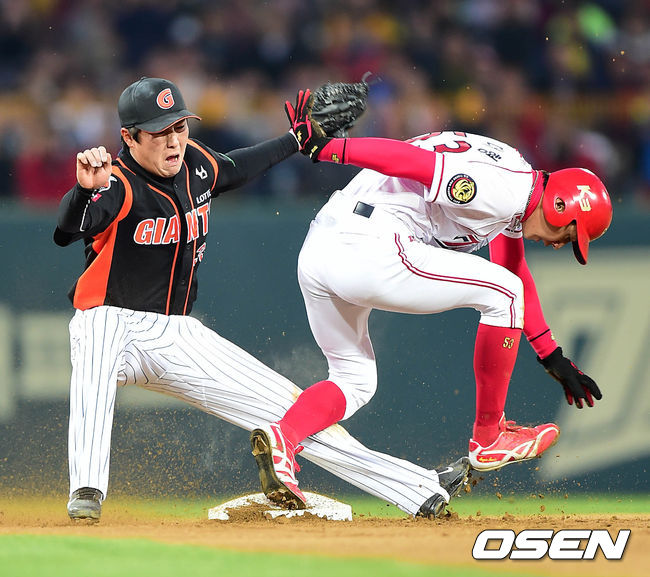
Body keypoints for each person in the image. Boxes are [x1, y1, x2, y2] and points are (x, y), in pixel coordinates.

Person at [54, 77, 470, 522]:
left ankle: (417, 488)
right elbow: (67, 230)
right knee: (94, 367)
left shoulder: (195, 164)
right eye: (159, 132)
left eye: (179, 127)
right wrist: (84, 191)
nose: (173, 141)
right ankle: (87, 491)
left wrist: (295, 139)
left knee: (291, 414)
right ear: (130, 137)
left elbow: (238, 166)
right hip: (109, 321)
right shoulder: (115, 183)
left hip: (175, 334)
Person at [251, 125, 612, 504]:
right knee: (504, 293)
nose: (560, 245)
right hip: (367, 245)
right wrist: (329, 148)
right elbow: (410, 161)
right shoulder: (503, 189)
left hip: (323, 247)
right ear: (561, 207)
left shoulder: (516, 189)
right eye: (569, 236)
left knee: (354, 380)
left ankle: (283, 440)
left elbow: (513, 267)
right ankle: (489, 436)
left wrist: (551, 355)